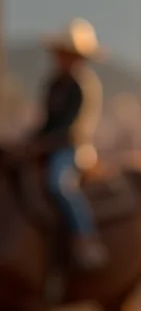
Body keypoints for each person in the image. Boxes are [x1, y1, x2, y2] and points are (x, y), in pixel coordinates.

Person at [27, 19, 106, 269]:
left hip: (73, 149)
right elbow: (48, 121)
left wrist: (42, 144)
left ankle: (86, 238)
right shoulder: (54, 83)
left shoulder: (83, 85)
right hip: (50, 145)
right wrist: (30, 140)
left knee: (58, 183)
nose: (62, 59)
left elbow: (74, 129)